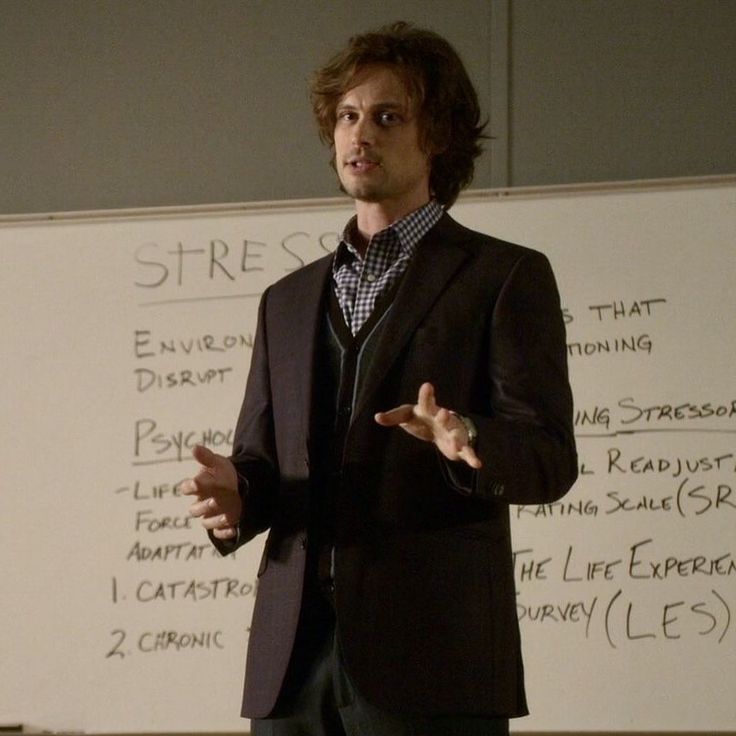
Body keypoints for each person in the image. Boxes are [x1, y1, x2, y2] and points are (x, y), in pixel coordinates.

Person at [182, 21, 577, 736]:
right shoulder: (288, 300)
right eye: (347, 116)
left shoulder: (504, 277)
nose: (360, 134)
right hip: (293, 667)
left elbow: (550, 458)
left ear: (440, 138)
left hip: (434, 662)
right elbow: (266, 461)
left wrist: (469, 440)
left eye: (388, 117)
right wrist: (239, 491)